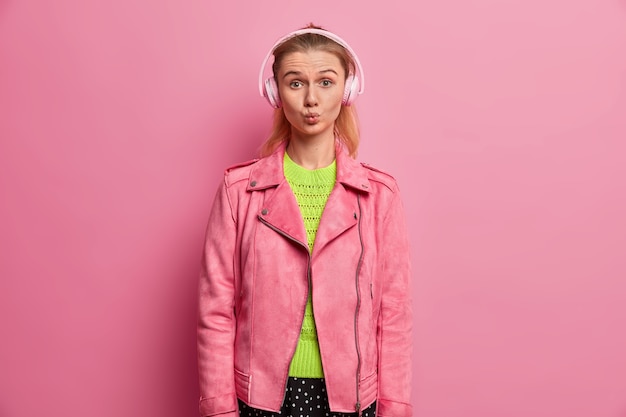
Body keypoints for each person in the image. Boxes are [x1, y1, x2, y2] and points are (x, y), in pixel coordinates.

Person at [197, 24, 412, 417]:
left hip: (352, 400)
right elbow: (215, 309)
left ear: (347, 91)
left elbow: (393, 314)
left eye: (326, 82)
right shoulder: (238, 191)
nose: (311, 99)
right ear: (275, 93)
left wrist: (394, 409)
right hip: (260, 400)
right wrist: (219, 410)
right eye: (295, 84)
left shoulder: (380, 196)